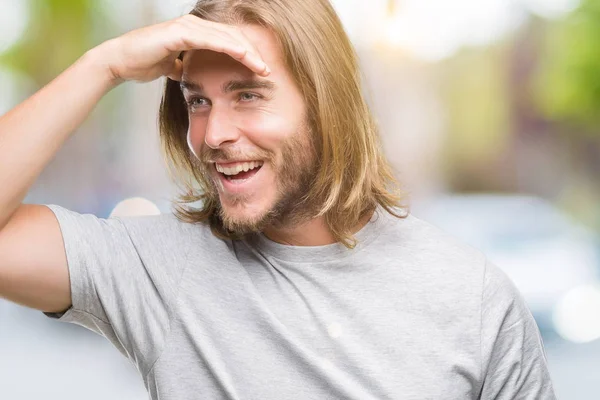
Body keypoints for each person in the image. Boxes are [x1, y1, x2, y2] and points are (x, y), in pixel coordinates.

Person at [0, 0, 556, 399]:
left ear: (326, 105)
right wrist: (107, 65)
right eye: (198, 101)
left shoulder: (474, 299)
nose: (214, 133)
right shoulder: (158, 269)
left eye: (248, 95)